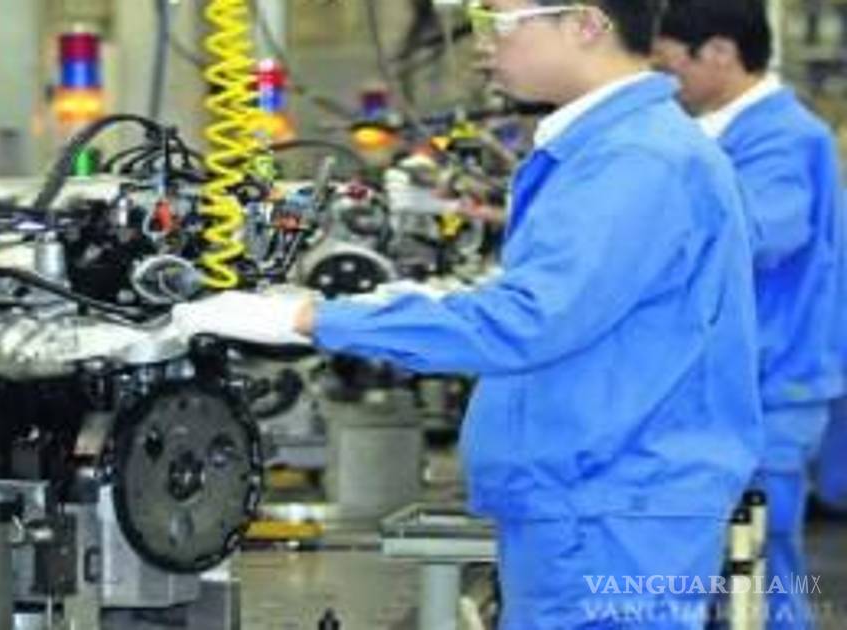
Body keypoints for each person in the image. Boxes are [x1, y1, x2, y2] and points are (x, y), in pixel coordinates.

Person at [174, 0, 764, 626]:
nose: (481, 44)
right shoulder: (613, 148)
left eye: (496, 22)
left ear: (587, 24)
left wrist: (309, 320)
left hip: (610, 510)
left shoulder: (635, 160)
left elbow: (529, 321)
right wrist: (408, 306)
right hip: (595, 498)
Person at [654, 2, 846, 626]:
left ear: (718, 52)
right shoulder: (732, 130)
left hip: (769, 386)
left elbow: (764, 232)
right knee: (745, 572)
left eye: (670, 65)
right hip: (744, 382)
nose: (665, 81)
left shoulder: (780, 136)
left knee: (758, 570)